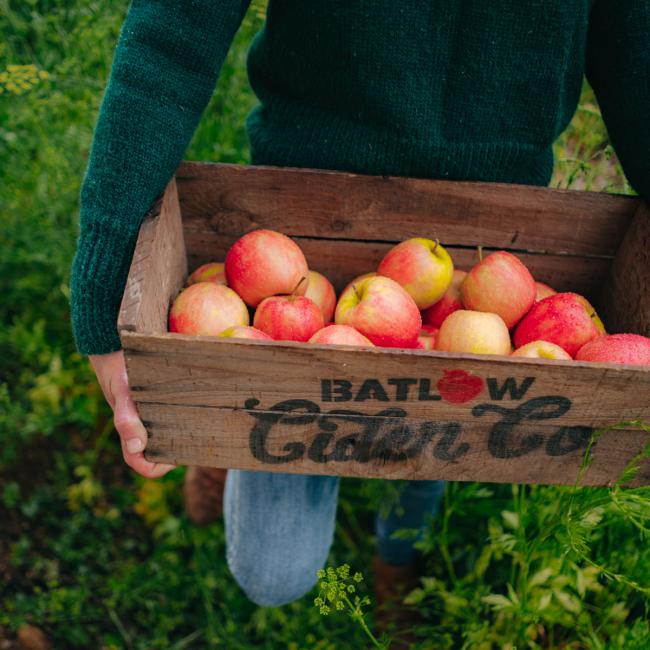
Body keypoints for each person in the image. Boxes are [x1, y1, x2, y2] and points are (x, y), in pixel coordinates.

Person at [71, 0, 649, 626]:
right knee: (273, 574)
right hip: (303, 195)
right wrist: (107, 292)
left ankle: (397, 558)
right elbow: (172, 32)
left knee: (444, 415)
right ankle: (219, 419)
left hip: (493, 219)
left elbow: (638, 53)